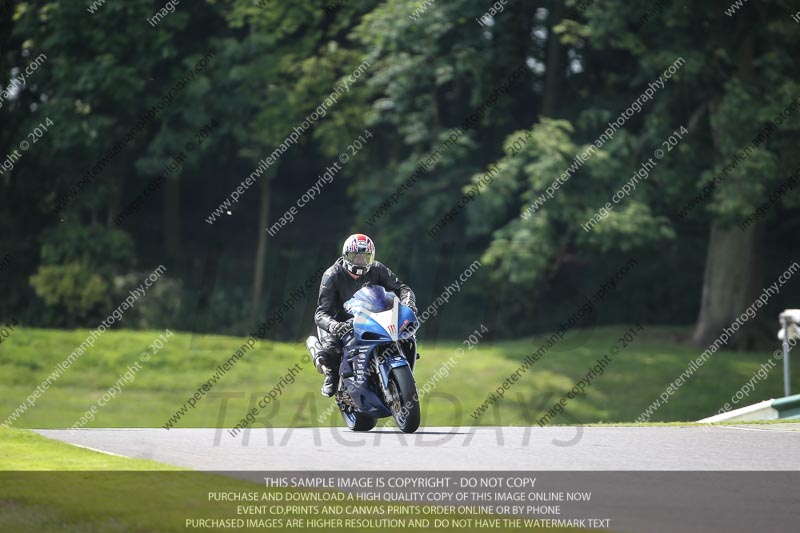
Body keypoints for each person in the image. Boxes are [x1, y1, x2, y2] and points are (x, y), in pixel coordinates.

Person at [313, 233, 416, 397]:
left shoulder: (377, 269)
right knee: (331, 350)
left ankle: (399, 370)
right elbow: (321, 313)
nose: (360, 261)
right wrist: (334, 325)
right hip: (343, 323)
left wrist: (408, 302)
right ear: (346, 256)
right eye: (356, 256)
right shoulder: (332, 275)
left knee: (404, 335)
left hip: (373, 318)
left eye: (365, 256)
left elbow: (402, 288)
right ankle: (332, 375)